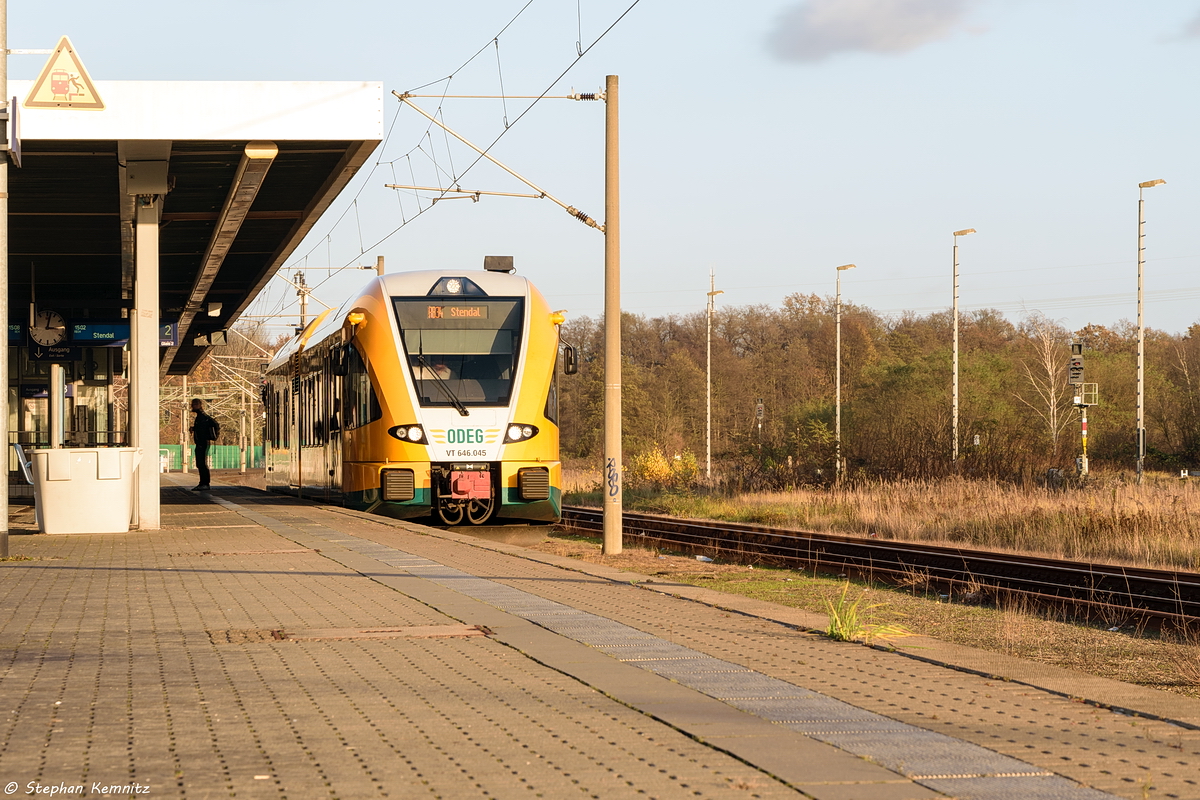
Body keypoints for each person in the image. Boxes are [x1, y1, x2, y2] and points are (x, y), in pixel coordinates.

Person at [189, 398, 219, 491]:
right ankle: (204, 483)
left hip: (202, 442)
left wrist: (203, 434)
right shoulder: (202, 416)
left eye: (194, 404)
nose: (193, 406)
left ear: (199, 405)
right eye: (193, 404)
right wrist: (194, 429)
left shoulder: (201, 417)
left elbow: (203, 429)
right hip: (202, 442)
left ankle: (204, 483)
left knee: (201, 463)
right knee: (201, 463)